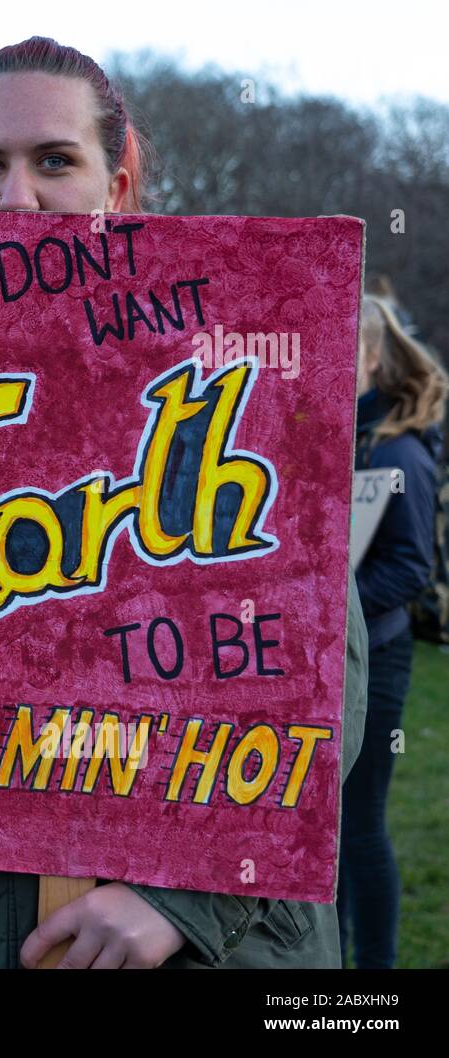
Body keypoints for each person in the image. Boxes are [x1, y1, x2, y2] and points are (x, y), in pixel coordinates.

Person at [0, 36, 371, 969]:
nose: (17, 198)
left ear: (117, 187)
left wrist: (183, 900)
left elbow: (326, 682)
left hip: (200, 942)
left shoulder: (247, 368)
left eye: (55, 161)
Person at [339, 294, 447, 968]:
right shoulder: (332, 430)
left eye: (343, 344)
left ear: (373, 356)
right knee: (329, 833)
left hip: (375, 660)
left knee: (361, 828)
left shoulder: (398, 452)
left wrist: (332, 612)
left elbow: (411, 569)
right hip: (334, 660)